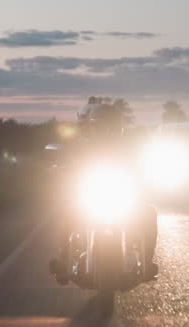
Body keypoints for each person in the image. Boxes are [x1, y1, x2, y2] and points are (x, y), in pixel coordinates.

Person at [47, 103, 158, 285]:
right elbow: (67, 163)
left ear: (119, 126)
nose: (105, 129)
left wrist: (147, 173)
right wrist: (61, 169)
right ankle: (64, 261)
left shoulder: (129, 146)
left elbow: (144, 164)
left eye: (110, 125)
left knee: (149, 213)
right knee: (67, 211)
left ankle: (147, 263)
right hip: (90, 193)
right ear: (92, 125)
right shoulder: (80, 146)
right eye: (100, 125)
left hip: (123, 195)